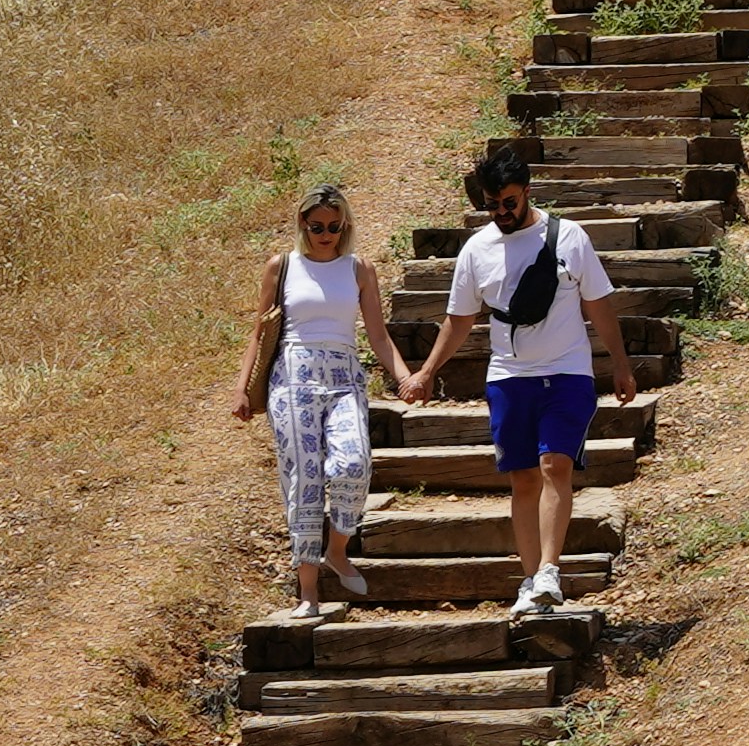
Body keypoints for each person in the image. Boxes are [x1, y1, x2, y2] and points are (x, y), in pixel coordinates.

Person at [406, 142, 630, 612]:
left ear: (527, 192)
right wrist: (427, 371)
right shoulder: (477, 249)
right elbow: (460, 319)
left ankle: (550, 568)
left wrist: (621, 364)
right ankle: (531, 580)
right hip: (508, 376)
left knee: (555, 466)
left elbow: (598, 304)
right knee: (523, 479)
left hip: (567, 371)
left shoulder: (569, 237)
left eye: (509, 202)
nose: (501, 212)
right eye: (491, 205)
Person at [223, 180, 398, 624]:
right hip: (293, 376)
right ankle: (308, 592)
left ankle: (337, 551)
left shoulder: (359, 269)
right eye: (317, 225)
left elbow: (377, 333)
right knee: (304, 480)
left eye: (335, 226)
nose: (326, 234)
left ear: (345, 226)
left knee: (354, 465)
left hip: (343, 374)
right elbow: (260, 332)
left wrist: (404, 375)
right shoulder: (282, 266)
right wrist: (242, 387)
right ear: (303, 222)